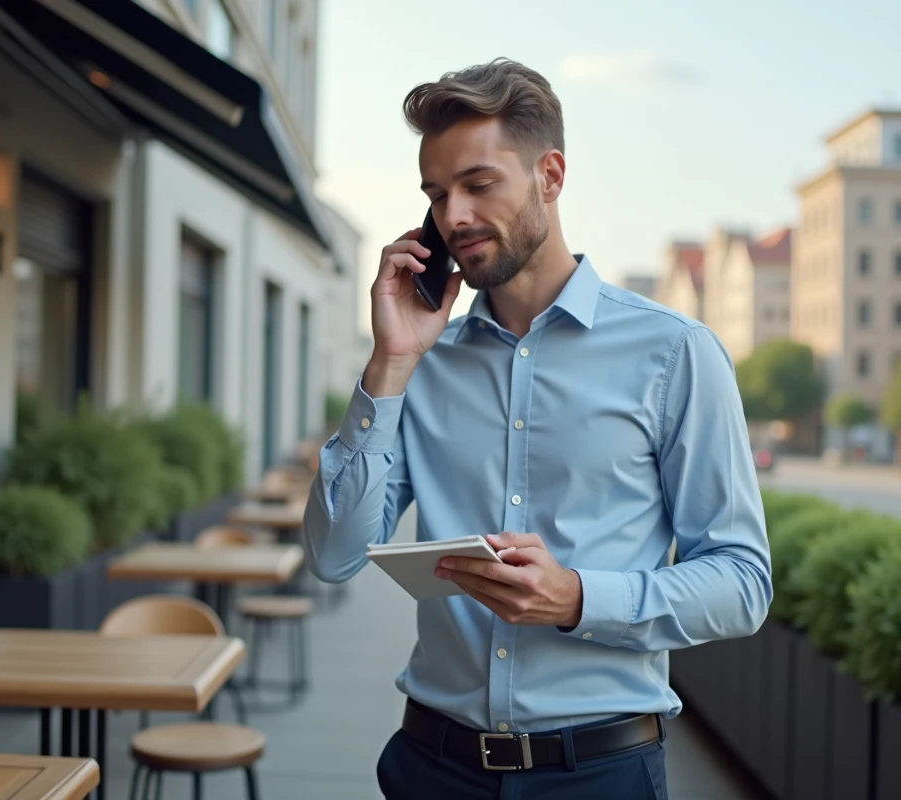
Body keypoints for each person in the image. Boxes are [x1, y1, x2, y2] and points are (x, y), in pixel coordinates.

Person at [301, 57, 772, 800]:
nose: (453, 216)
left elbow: (742, 582)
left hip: (601, 774)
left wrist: (579, 599)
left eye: (478, 184)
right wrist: (389, 362)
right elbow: (333, 556)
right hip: (432, 768)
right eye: (437, 195)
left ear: (549, 176)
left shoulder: (674, 353)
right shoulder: (423, 361)